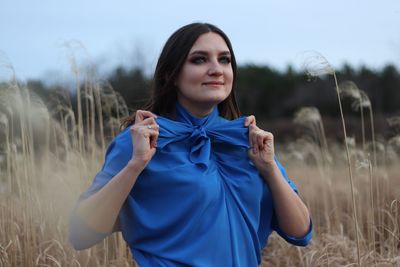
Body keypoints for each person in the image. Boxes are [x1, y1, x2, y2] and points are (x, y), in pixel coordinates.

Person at [69, 22, 312, 266]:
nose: (216, 69)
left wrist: (269, 168)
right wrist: (135, 164)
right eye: (199, 60)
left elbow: (301, 233)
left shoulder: (246, 140)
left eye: (225, 60)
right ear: (170, 74)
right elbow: (81, 234)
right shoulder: (140, 141)